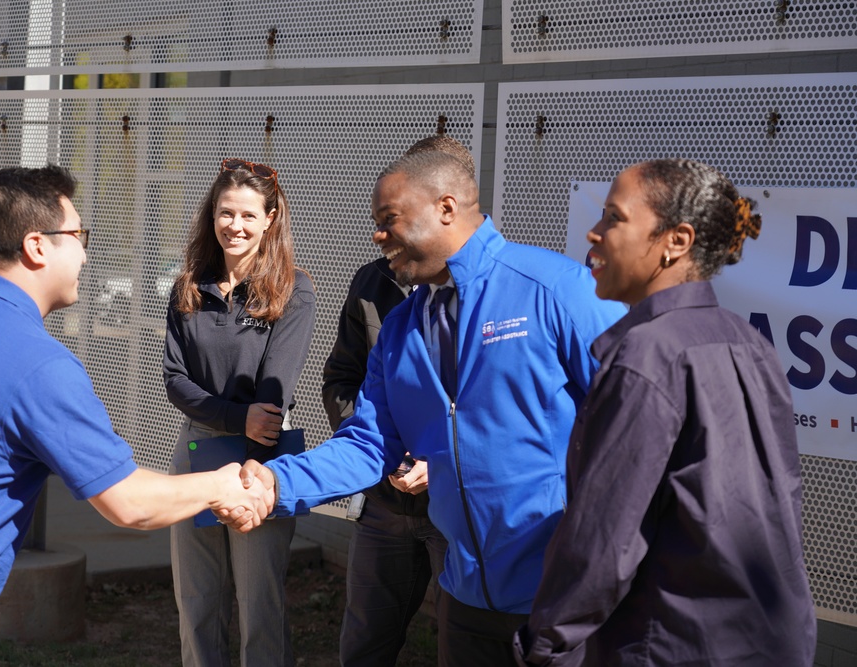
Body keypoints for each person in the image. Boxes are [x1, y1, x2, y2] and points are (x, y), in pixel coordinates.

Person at [0, 164, 272, 667]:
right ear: (37, 246)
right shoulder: (36, 362)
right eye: (78, 235)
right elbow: (130, 504)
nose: (84, 250)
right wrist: (224, 485)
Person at [228, 149, 626, 665]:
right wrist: (279, 484)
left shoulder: (556, 290)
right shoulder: (399, 329)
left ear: (446, 207)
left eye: (388, 219)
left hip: (564, 599)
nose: (377, 235)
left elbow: (636, 424)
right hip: (464, 602)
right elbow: (369, 443)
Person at [514, 159, 816, 666]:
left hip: (672, 643)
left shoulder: (646, 356)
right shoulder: (750, 344)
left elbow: (604, 540)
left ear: (676, 241)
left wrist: (544, 646)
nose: (595, 231)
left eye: (614, 216)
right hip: (770, 641)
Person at [322, 134, 476, 666]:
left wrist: (440, 462)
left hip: (455, 509)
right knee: (364, 642)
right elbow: (342, 379)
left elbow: (493, 408)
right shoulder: (372, 282)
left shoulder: (499, 294)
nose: (383, 230)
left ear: (448, 205)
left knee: (465, 640)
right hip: (385, 505)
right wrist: (383, 451)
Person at [163, 159, 316, 667]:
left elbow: (275, 396)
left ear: (271, 218)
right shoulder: (188, 287)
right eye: (226, 213)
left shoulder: (292, 290)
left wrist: (250, 435)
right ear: (212, 215)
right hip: (196, 448)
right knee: (197, 603)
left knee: (259, 606)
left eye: (249, 215)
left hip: (261, 458)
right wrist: (233, 417)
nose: (236, 225)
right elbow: (175, 380)